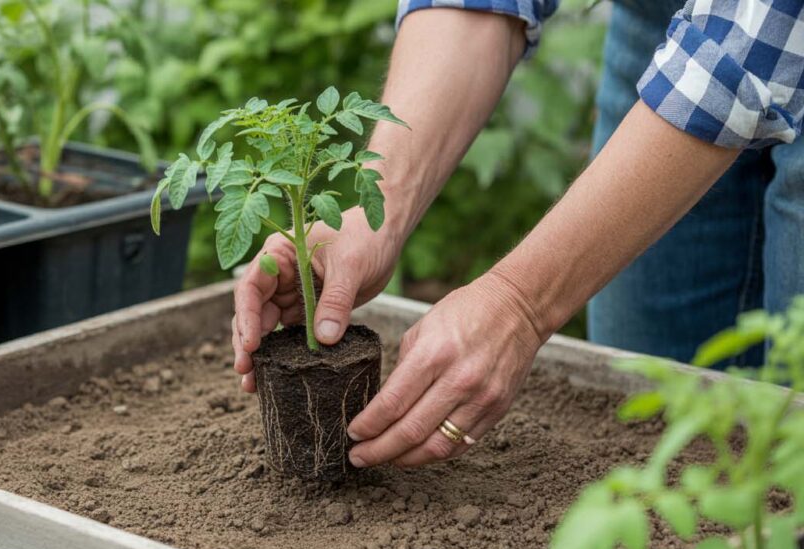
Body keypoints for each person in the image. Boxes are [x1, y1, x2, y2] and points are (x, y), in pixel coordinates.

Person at [231, 0, 804, 469]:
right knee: (657, 424)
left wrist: (519, 303)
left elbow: (745, 49)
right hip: (673, 32)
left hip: (764, 30)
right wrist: (373, 210)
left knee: (793, 444)